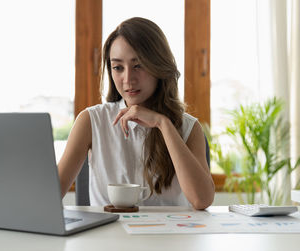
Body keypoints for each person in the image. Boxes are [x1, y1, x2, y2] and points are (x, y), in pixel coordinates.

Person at [58, 17, 214, 210]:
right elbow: (52, 194)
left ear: (158, 66)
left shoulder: (189, 127)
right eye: (118, 67)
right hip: (107, 238)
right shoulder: (92, 121)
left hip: (168, 238)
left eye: (138, 65)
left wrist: (163, 124)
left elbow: (202, 200)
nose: (128, 79)